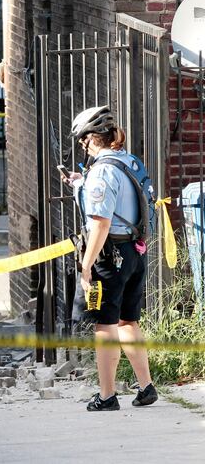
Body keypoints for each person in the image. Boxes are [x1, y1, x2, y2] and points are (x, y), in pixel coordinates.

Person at [63, 105, 157, 412]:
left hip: (109, 257)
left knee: (105, 325)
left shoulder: (101, 171)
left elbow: (101, 223)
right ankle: (146, 387)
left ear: (91, 138)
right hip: (134, 251)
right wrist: (81, 183)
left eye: (82, 141)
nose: (82, 146)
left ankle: (106, 396)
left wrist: (86, 265)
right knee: (128, 320)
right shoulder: (127, 160)